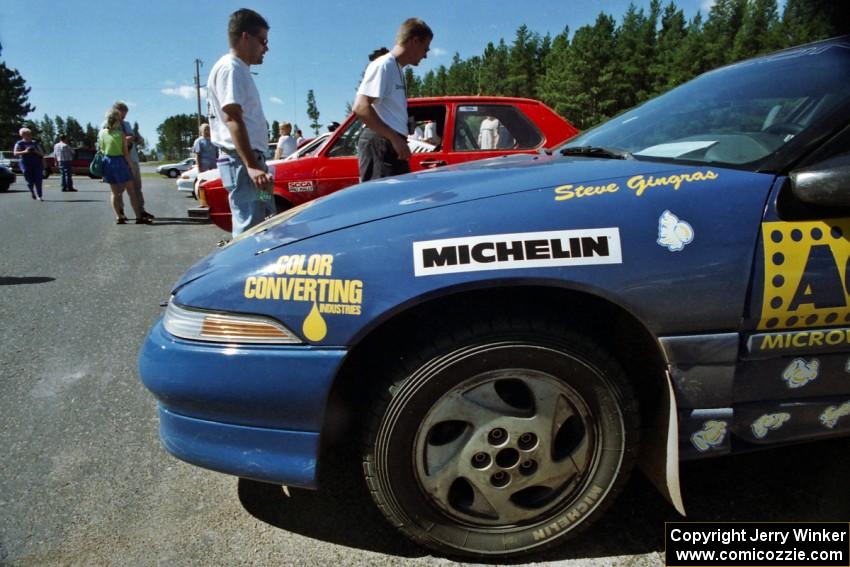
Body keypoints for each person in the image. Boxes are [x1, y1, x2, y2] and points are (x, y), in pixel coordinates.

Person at [207, 8, 275, 237]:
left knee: (266, 215)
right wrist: (251, 166)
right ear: (246, 37)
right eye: (262, 41)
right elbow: (232, 118)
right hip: (243, 164)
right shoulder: (231, 68)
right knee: (250, 227)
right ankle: (245, 270)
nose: (266, 48)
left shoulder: (241, 70)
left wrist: (257, 165)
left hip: (254, 163)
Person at [353, 18, 433, 182]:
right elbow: (361, 107)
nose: (425, 55)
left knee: (398, 200)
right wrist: (394, 138)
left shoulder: (397, 69)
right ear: (414, 41)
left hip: (390, 143)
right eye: (425, 48)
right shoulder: (384, 65)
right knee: (382, 202)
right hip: (380, 144)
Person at [99, 109, 148, 224]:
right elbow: (125, 153)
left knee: (115, 193)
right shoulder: (120, 134)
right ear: (117, 121)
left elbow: (102, 149)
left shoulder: (102, 133)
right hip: (120, 161)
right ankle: (138, 217)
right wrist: (130, 165)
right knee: (131, 191)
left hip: (108, 162)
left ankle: (119, 216)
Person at [113, 101, 154, 221]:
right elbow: (109, 141)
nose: (124, 117)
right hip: (120, 159)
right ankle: (120, 212)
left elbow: (132, 138)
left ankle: (141, 211)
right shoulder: (109, 125)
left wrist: (137, 139)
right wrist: (125, 139)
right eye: (122, 114)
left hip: (133, 158)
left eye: (125, 114)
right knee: (118, 189)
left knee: (137, 187)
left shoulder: (127, 124)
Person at [13, 128, 45, 201]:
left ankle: (39, 195)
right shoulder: (19, 143)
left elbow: (42, 154)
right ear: (22, 135)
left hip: (36, 163)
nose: (29, 136)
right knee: (29, 180)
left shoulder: (35, 143)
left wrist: (36, 151)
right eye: (27, 134)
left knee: (38, 179)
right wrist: (25, 151)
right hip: (25, 163)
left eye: (30, 134)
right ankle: (32, 191)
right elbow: (15, 153)